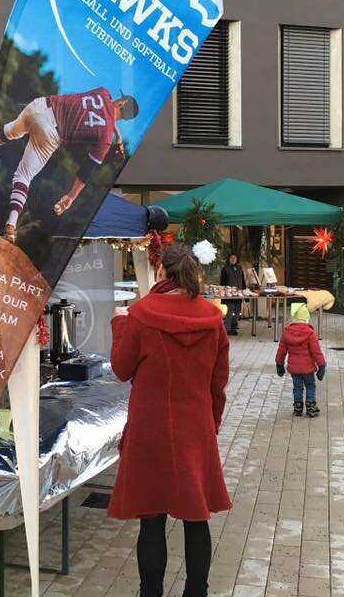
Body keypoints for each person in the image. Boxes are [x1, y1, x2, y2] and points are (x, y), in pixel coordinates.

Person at [108, 243, 231, 597]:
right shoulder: (212, 319)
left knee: (152, 519)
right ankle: (196, 591)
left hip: (151, 429)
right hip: (195, 427)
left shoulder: (140, 314)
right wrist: (212, 423)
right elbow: (218, 382)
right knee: (196, 516)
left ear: (161, 271)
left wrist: (119, 322)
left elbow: (121, 369)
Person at [0, 87, 139, 240]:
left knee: (13, 130)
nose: (117, 99)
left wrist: (117, 135)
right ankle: (10, 226)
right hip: (50, 135)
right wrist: (71, 196)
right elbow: (87, 170)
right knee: (23, 176)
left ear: (122, 102)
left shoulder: (103, 92)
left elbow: (104, 110)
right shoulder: (105, 139)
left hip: (42, 107)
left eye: (120, 98)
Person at [275, 303, 326, 418]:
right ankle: (310, 406)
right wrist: (322, 365)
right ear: (306, 318)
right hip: (308, 368)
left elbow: (281, 351)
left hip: (294, 368)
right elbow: (316, 351)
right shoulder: (310, 333)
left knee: (297, 387)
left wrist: (279, 364)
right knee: (310, 385)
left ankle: (297, 407)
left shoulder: (287, 332)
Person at [219, 252, 245, 335]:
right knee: (230, 309)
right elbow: (222, 282)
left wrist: (244, 290)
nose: (233, 260)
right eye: (231, 258)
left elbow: (243, 280)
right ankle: (227, 328)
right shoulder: (225, 269)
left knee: (238, 309)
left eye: (235, 258)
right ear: (229, 259)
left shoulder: (240, 268)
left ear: (237, 259)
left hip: (239, 293)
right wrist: (224, 292)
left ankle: (234, 323)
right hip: (229, 293)